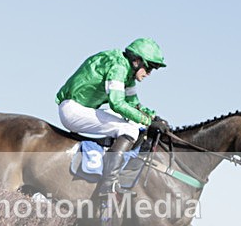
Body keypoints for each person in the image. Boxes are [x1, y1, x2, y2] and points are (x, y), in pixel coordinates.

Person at [56, 37, 170, 195]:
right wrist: (147, 121)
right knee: (129, 129)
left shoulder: (128, 74)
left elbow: (133, 104)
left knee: (136, 125)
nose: (149, 74)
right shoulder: (118, 67)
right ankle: (108, 184)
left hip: (83, 109)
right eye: (149, 68)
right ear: (137, 61)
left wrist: (153, 117)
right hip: (73, 110)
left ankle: (108, 162)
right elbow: (116, 103)